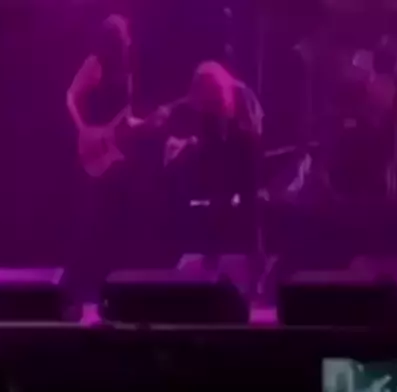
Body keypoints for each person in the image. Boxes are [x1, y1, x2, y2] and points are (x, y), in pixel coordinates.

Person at [65, 14, 147, 315]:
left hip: (118, 152)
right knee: (92, 222)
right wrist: (84, 130)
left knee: (117, 222)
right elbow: (70, 97)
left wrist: (145, 123)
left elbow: (126, 116)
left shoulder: (127, 70)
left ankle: (113, 292)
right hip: (96, 149)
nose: (127, 41)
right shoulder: (96, 63)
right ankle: (79, 289)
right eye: (122, 36)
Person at [162, 61, 266, 292]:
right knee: (216, 210)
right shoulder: (207, 108)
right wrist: (189, 144)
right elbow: (210, 143)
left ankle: (256, 275)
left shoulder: (241, 95)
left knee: (251, 217)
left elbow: (253, 136)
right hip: (223, 162)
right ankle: (212, 267)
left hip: (245, 158)